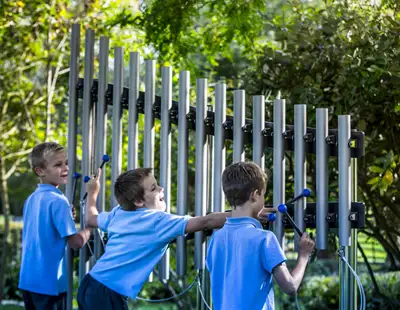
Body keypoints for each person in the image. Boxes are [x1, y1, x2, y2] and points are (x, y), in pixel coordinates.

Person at [77, 167, 274, 309]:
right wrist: (247, 212)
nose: (161, 189)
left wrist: (92, 192)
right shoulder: (157, 221)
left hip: (90, 284)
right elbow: (205, 222)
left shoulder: (119, 213)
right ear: (138, 201)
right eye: (154, 188)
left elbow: (91, 218)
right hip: (107, 294)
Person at [206, 161, 315, 310]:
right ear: (255, 195)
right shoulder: (265, 239)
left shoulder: (216, 239)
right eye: (263, 195)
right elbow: (290, 286)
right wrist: (304, 256)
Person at [18, 142, 92, 310]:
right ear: (40, 171)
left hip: (28, 281)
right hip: (49, 284)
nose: (65, 168)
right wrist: (90, 226)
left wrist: (67, 217)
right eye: (58, 165)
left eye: (66, 163)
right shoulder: (58, 201)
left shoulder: (32, 198)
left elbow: (45, 229)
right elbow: (76, 243)